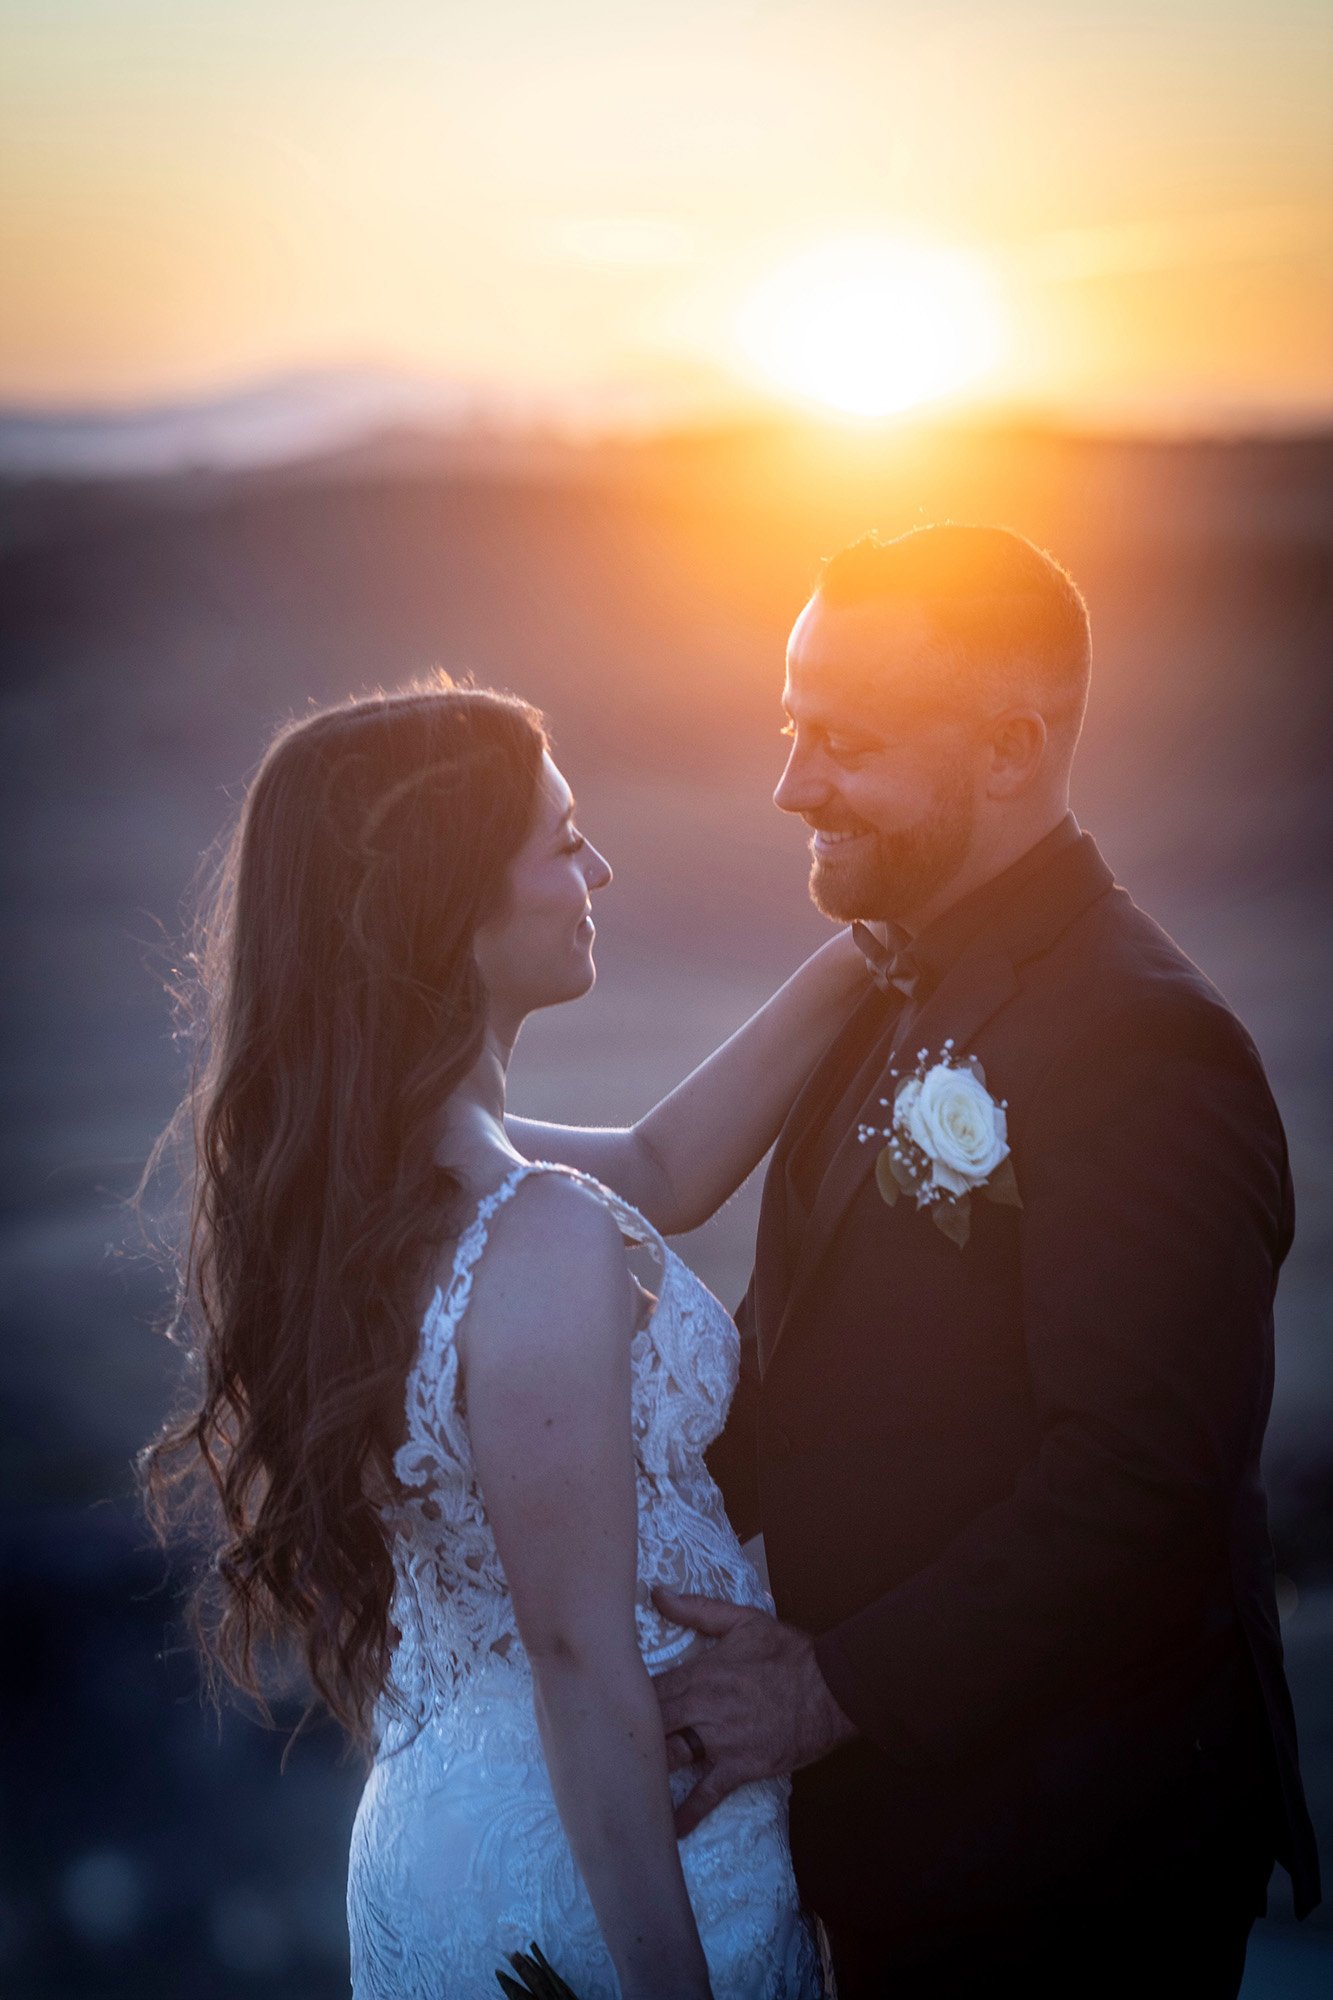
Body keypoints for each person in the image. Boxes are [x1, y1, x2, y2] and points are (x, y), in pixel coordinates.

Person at [558, 522, 1320, 1996]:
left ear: (1009, 748)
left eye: (845, 740)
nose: (790, 783)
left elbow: (1139, 1482)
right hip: (910, 1832)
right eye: (792, 727)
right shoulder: (883, 981)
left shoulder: (1141, 1040)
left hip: (1078, 1853)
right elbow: (803, 1367)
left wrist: (825, 1689)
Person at [138, 678, 869, 2000]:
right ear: (453, 905)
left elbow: (661, 1161)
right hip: (602, 1886)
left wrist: (869, 950)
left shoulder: (374, 1180)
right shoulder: (533, 1235)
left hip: (452, 1840)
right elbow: (579, 1661)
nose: (599, 866)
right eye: (562, 837)